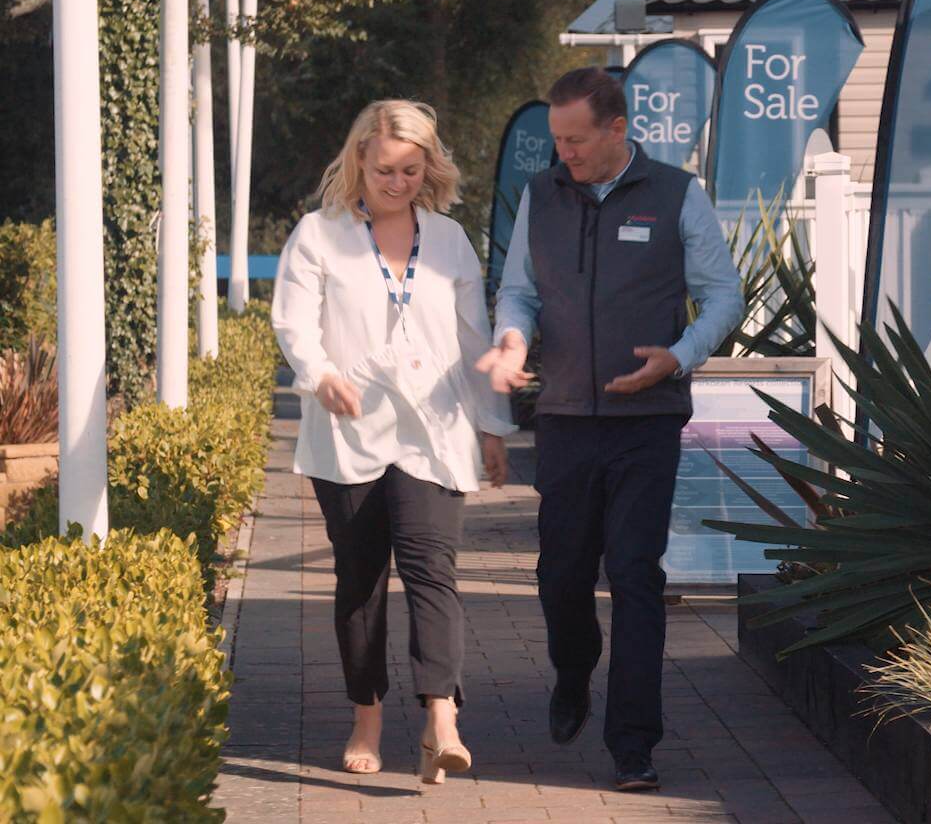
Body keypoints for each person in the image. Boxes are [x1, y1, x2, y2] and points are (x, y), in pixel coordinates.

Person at [476, 67, 744, 792]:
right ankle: (572, 672)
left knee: (634, 574)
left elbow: (723, 293)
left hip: (646, 422)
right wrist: (511, 341)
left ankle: (633, 744)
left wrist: (679, 358)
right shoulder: (542, 195)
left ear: (618, 129)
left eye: (576, 139)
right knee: (561, 574)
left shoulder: (677, 195)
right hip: (564, 418)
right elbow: (520, 293)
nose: (564, 152)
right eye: (557, 139)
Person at [272, 99, 516, 784]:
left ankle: (442, 716)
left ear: (428, 167)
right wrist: (319, 377)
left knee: (433, 568)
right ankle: (367, 717)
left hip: (433, 431)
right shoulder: (318, 236)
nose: (399, 182)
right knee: (360, 583)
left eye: (412, 170)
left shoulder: (450, 240)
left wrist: (493, 424)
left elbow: (476, 341)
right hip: (348, 434)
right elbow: (295, 324)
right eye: (386, 170)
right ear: (358, 161)